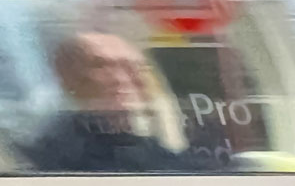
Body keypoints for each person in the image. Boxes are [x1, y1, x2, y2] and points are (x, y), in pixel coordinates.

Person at [21, 32, 208, 173]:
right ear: (68, 76)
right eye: (101, 66)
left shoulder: (141, 145)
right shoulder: (58, 144)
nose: (121, 78)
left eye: (133, 66)